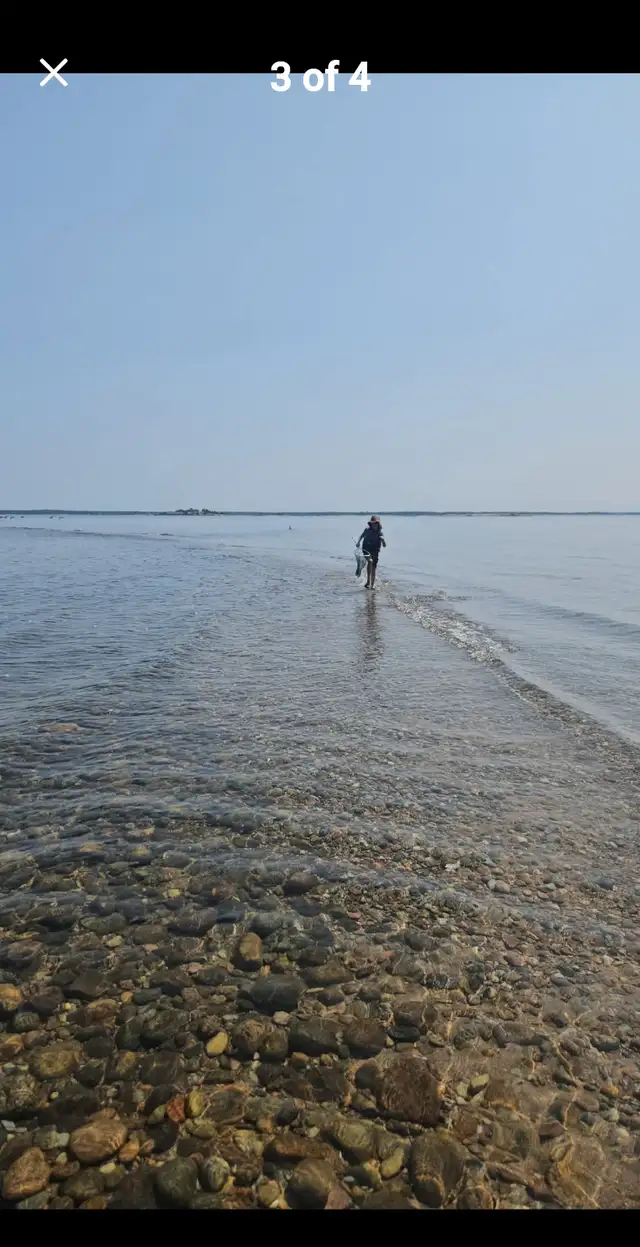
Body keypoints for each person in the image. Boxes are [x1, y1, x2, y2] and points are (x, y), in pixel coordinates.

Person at [356, 516, 386, 589]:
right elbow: (361, 536)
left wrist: (382, 540)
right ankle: (368, 581)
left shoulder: (380, 533)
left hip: (375, 551)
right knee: (370, 561)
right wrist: (358, 542)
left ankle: (371, 585)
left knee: (373, 567)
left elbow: (384, 545)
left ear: (378, 524)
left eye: (376, 523)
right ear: (370, 524)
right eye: (373, 523)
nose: (374, 525)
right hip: (366, 549)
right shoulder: (367, 530)